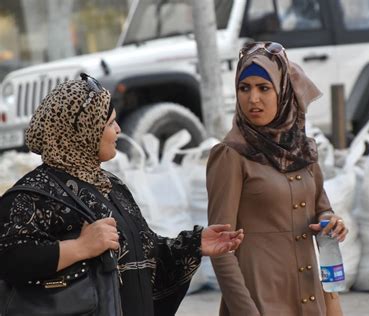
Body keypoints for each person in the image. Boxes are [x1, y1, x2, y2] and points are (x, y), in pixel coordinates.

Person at [0, 74, 244, 316]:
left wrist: (193, 244)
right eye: (109, 124)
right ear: (82, 130)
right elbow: (9, 260)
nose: (118, 130)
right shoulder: (32, 196)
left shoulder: (110, 185)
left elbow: (144, 250)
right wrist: (80, 247)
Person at [206, 42, 348, 316]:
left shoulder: (302, 150)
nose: (253, 99)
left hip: (309, 299)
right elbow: (221, 248)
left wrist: (332, 222)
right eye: (244, 88)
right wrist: (246, 311)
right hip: (259, 300)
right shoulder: (231, 155)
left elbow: (322, 208)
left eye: (264, 88)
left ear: (284, 92)